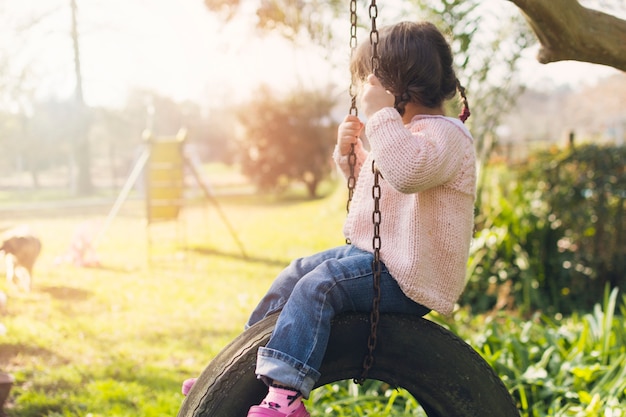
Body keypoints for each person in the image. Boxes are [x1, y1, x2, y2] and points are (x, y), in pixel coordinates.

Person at [183, 20, 476, 417]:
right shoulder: (407, 137)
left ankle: (285, 399)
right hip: (379, 262)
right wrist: (351, 155)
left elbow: (406, 174)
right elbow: (380, 191)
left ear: (396, 88)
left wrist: (380, 117)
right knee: (294, 274)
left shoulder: (447, 137)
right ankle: (238, 373)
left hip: (412, 280)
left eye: (369, 83)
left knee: (321, 286)